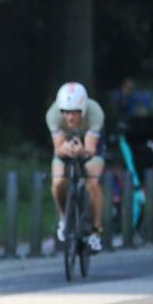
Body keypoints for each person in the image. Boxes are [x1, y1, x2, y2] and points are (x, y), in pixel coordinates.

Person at [46, 82, 105, 253]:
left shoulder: (95, 113)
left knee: (92, 182)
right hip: (66, 145)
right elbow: (58, 147)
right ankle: (64, 217)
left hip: (88, 144)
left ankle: (96, 230)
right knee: (57, 182)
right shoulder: (52, 115)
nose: (69, 117)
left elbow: (91, 149)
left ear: (83, 110)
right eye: (65, 112)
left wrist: (83, 151)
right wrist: (67, 149)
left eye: (74, 112)